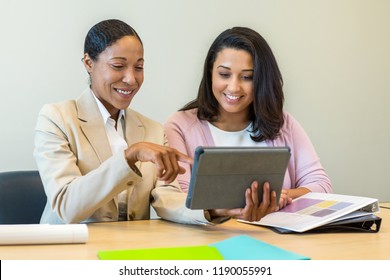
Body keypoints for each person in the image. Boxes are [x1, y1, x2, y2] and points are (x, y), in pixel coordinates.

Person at [34, 19, 273, 225]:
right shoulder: (57, 118)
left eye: (139, 67)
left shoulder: (152, 130)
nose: (131, 78)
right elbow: (66, 206)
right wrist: (131, 156)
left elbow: (167, 196)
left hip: (131, 251)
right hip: (69, 249)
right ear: (88, 63)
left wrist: (213, 210)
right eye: (118, 66)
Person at [165, 26, 333, 211]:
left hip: (277, 237)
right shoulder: (180, 126)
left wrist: (280, 197)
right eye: (224, 74)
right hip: (210, 238)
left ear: (262, 80)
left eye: (247, 77)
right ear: (210, 74)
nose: (234, 87)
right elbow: (181, 201)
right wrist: (244, 206)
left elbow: (321, 186)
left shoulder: (283, 124)